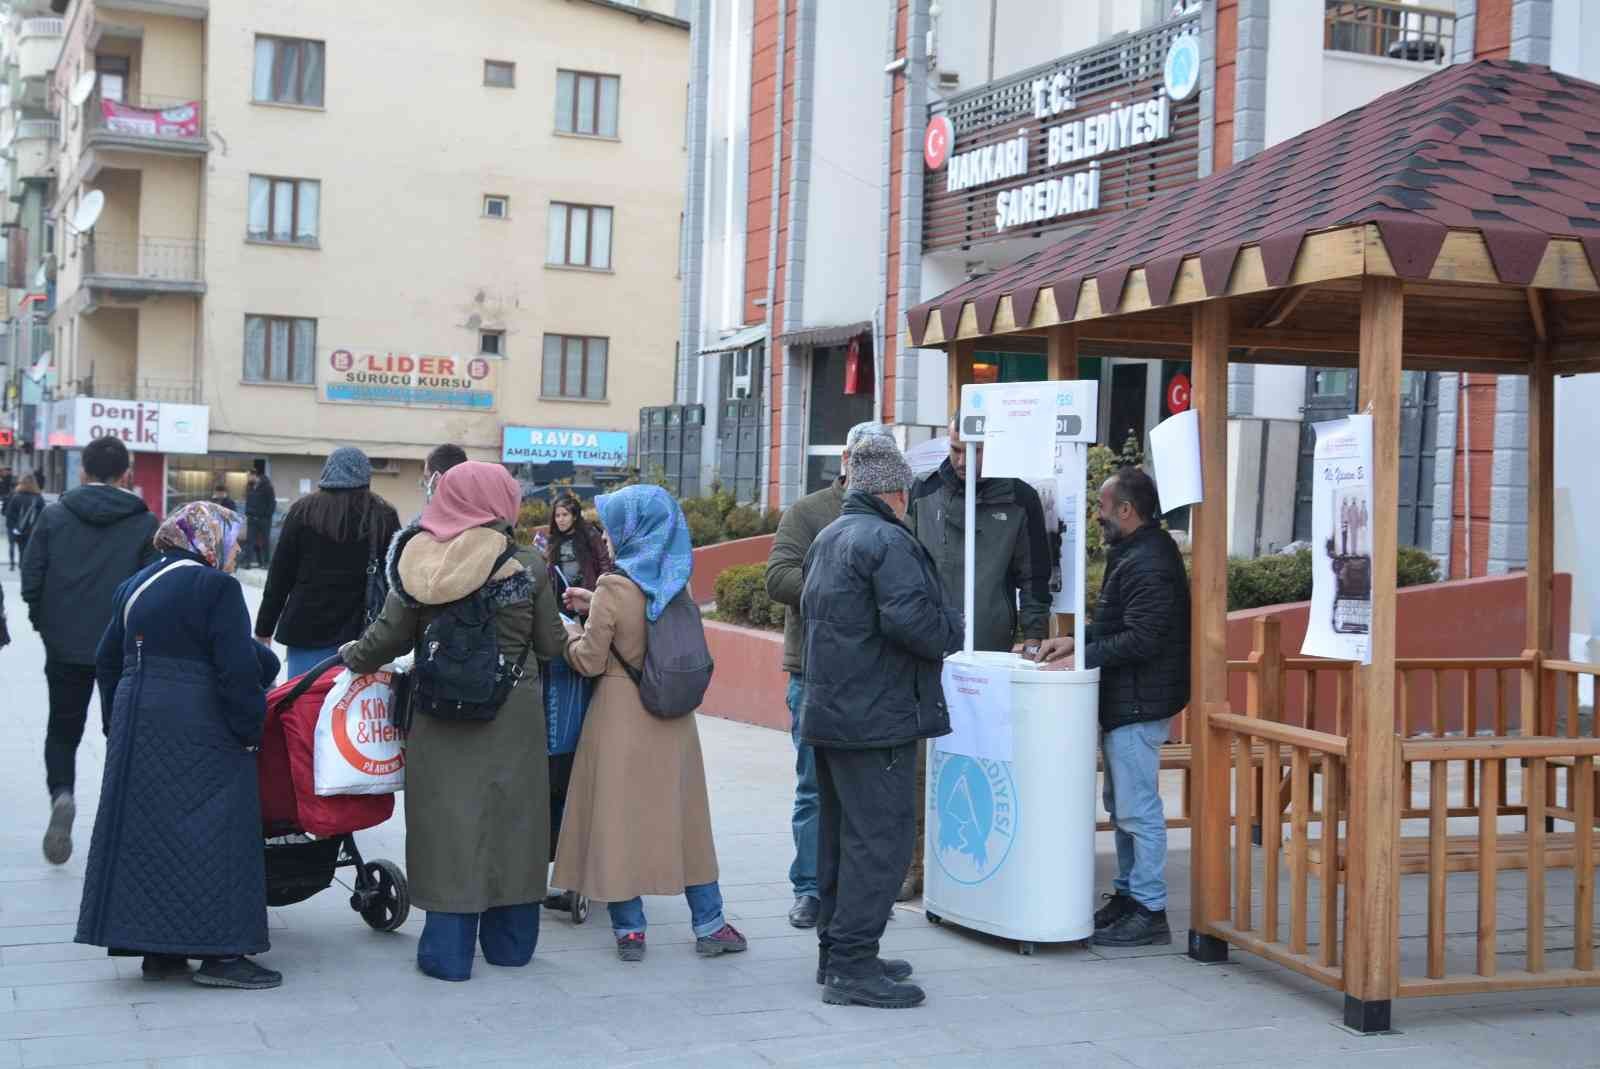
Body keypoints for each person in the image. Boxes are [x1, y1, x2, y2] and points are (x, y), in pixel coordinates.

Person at [341, 462, 568, 982]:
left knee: (448, 825)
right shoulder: (528, 564)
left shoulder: (420, 560)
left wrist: (353, 657)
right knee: (516, 820)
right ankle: (511, 946)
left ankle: (447, 953)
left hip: (441, 714)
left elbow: (387, 638)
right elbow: (552, 646)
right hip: (513, 715)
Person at [76, 502, 283, 988]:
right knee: (220, 830)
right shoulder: (215, 586)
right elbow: (234, 668)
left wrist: (117, 726)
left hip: (139, 719)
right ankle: (224, 956)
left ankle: (157, 951)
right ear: (212, 540)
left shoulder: (135, 586)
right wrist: (249, 730)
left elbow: (107, 660)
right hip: (198, 721)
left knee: (151, 836)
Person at [799, 435, 961, 1009]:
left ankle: (838, 951)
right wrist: (953, 628)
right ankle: (851, 965)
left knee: (841, 839)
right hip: (876, 719)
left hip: (833, 714)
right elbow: (913, 622)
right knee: (879, 843)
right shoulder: (886, 541)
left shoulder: (830, 536)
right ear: (898, 491)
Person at [553, 484, 747, 963]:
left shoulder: (613, 587)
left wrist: (572, 630)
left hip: (619, 715)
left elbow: (591, 661)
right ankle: (710, 923)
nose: (607, 534)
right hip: (672, 718)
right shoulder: (675, 579)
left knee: (617, 820)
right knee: (686, 821)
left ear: (632, 529)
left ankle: (631, 931)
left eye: (613, 524)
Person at [1028, 467, 1190, 947]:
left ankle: (1150, 908)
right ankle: (1128, 895)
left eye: (1102, 509)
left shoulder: (1149, 562)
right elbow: (1121, 624)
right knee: (1122, 805)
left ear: (1126, 510)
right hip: (1129, 700)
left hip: (1140, 702)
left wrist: (1083, 653)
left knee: (1137, 809)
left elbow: (1141, 638)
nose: (1097, 518)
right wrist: (1072, 642)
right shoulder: (1136, 554)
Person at [897, 417, 1052, 900]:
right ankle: (913, 865)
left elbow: (1035, 580)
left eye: (974, 452)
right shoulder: (924, 491)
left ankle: (980, 862)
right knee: (922, 762)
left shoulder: (1019, 497)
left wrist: (1032, 640)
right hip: (928, 652)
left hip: (992, 655)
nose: (962, 462)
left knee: (984, 758)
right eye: (958, 450)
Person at [764, 420, 889, 929]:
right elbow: (777, 578)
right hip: (815, 673)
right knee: (815, 787)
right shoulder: (808, 512)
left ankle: (858, 893)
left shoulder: (900, 513)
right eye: (864, 457)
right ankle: (810, 889)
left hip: (878, 676)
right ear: (846, 458)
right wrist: (845, 589)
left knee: (869, 792)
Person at [21, 439, 159, 865]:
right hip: (119, 649)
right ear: (126, 474)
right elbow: (151, 588)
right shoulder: (144, 523)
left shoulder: (54, 515)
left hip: (65, 645)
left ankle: (62, 795)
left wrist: (47, 624)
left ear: (83, 471)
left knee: (63, 728)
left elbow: (31, 580)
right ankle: (121, 819)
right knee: (120, 731)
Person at [255, 448, 400, 678]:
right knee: (351, 710)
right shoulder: (383, 515)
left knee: (303, 706)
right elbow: (395, 580)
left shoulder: (302, 511)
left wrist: (264, 628)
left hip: (305, 631)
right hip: (362, 637)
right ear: (366, 477)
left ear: (328, 472)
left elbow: (280, 576)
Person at [545, 494, 612, 608]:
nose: (561, 520)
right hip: (563, 595)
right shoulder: (553, 539)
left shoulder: (589, 534)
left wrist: (600, 589)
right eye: (557, 516)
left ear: (574, 516)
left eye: (565, 515)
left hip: (587, 592)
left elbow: (604, 561)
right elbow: (551, 569)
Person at [6, 473, 44, 571]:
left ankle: (16, 565)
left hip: (19, 530)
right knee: (29, 552)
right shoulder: (39, 498)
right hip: (33, 531)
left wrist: (14, 529)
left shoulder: (16, 497)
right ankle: (25, 568)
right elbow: (43, 516)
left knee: (20, 549)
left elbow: (9, 516)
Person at [243, 465, 277, 568]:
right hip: (252, 519)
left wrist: (266, 516)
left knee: (265, 541)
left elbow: (272, 503)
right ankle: (247, 562)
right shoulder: (249, 487)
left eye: (249, 476)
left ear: (254, 475)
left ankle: (266, 563)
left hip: (264, 520)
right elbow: (248, 502)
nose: (248, 478)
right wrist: (248, 513)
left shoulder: (267, 486)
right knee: (250, 541)